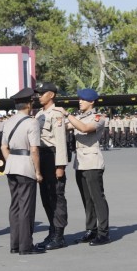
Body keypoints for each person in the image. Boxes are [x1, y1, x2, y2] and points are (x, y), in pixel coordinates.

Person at [54, 88, 110, 246]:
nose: (80, 101)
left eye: (83, 99)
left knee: (97, 198)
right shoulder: (78, 117)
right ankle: (91, 230)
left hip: (93, 162)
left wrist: (67, 115)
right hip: (80, 163)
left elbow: (85, 128)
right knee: (86, 199)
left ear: (91, 102)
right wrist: (57, 120)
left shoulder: (98, 117)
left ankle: (103, 232)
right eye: (79, 99)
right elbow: (64, 127)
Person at [0, 88, 45, 255]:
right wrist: (38, 172)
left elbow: (3, 147)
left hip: (11, 165)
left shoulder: (8, 122)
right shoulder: (31, 122)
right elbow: (34, 150)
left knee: (15, 206)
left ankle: (15, 244)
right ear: (29, 104)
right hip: (26, 166)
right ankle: (26, 246)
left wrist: (11, 161)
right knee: (26, 207)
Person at [34, 82, 69, 250]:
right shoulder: (39, 114)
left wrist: (60, 165)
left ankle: (59, 235)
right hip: (41, 157)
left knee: (56, 197)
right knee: (46, 197)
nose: (38, 96)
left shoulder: (57, 114)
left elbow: (61, 141)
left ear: (52, 95)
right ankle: (52, 229)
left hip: (53, 156)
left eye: (42, 93)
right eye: (38, 93)